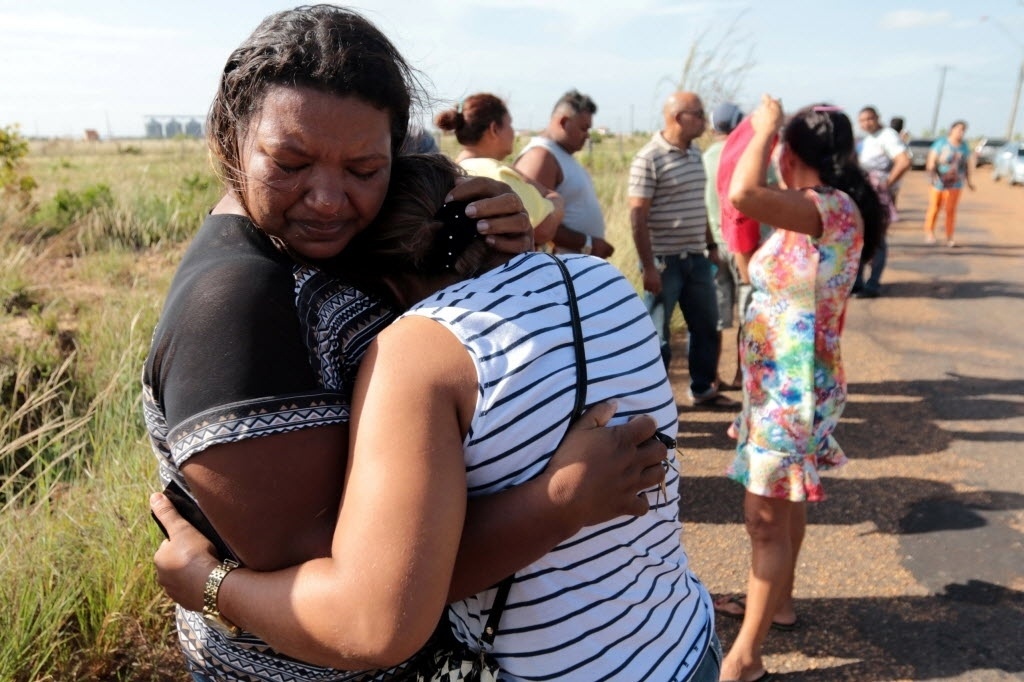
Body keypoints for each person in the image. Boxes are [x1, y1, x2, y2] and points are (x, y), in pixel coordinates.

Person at [143, 6, 668, 680]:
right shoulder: (235, 306)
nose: (327, 198)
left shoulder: (317, 245)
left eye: (365, 168)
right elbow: (364, 603)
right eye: (291, 162)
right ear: (227, 138)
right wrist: (556, 503)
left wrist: (480, 243)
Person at [715, 95, 885, 682]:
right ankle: (779, 602)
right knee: (784, 504)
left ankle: (745, 658)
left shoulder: (827, 207)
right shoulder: (815, 208)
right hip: (778, 388)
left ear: (789, 152)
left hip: (792, 395)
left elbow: (741, 194)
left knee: (763, 518)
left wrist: (764, 127)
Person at [629, 90, 735, 409]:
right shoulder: (649, 158)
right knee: (658, 337)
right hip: (664, 262)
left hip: (696, 258)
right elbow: (637, 216)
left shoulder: (695, 154)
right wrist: (649, 266)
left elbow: (698, 206)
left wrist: (711, 245)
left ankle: (702, 389)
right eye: (698, 114)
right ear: (678, 118)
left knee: (706, 327)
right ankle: (653, 402)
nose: (704, 120)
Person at [434, 92, 564, 246]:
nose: (513, 132)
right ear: (494, 129)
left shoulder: (453, 169)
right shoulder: (496, 172)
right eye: (510, 124)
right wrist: (556, 200)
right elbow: (542, 229)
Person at [513, 89, 614, 257]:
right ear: (564, 122)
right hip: (560, 265)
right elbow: (535, 222)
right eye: (583, 128)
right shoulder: (540, 157)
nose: (587, 136)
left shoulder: (559, 154)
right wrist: (587, 243)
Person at [703, 101, 745, 391]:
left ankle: (712, 376)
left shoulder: (704, 158)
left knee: (715, 316)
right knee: (748, 312)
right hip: (744, 245)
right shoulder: (747, 155)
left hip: (714, 245)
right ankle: (743, 374)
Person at [853, 106, 909, 298]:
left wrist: (886, 184)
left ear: (877, 118)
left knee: (876, 239)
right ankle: (857, 281)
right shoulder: (869, 138)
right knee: (862, 236)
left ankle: (873, 284)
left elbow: (904, 161)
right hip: (866, 194)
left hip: (879, 197)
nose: (866, 123)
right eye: (862, 120)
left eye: (869, 119)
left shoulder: (888, 135)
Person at [924, 120, 975, 248]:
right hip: (939, 182)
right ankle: (929, 232)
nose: (961, 132)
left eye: (963, 130)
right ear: (952, 129)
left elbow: (966, 165)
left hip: (956, 184)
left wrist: (969, 182)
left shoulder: (964, 147)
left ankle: (949, 236)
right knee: (934, 207)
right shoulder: (941, 143)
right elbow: (931, 160)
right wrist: (932, 174)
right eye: (959, 129)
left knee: (950, 210)